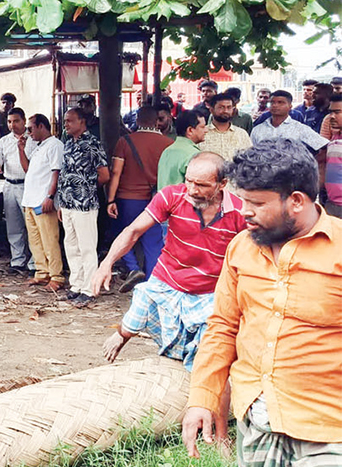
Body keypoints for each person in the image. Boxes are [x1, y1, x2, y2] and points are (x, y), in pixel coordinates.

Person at [182, 140, 342, 467]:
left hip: (326, 428)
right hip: (257, 422)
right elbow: (221, 327)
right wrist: (204, 396)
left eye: (255, 203)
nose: (245, 212)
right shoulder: (242, 249)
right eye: (242, 200)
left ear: (296, 201)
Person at [92, 151, 245, 370]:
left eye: (201, 185)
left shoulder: (240, 212)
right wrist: (106, 263)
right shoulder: (171, 196)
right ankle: (123, 334)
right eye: (188, 181)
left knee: (206, 352)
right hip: (167, 278)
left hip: (210, 291)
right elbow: (133, 231)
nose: (192, 190)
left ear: (222, 184)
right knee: (144, 298)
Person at [106, 106, 172, 286]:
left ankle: (134, 268)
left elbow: (116, 173)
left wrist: (110, 199)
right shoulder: (168, 144)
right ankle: (152, 283)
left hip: (128, 198)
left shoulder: (125, 141)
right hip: (156, 199)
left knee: (124, 233)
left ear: (137, 119)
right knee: (153, 242)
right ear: (157, 121)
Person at [55, 107, 108, 307]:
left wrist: (86, 189)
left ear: (82, 122)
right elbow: (63, 174)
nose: (66, 124)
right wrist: (61, 201)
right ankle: (76, 285)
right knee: (71, 245)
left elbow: (104, 175)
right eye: (66, 121)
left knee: (87, 247)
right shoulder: (68, 145)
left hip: (85, 203)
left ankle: (89, 288)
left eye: (70, 121)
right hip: (67, 203)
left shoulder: (93, 144)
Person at [21, 114, 65, 292]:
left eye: (30, 128)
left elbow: (56, 172)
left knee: (49, 240)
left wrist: (50, 196)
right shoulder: (39, 146)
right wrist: (21, 149)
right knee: (35, 240)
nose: (28, 132)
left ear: (41, 126)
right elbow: (28, 169)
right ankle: (42, 271)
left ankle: (56, 276)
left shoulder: (55, 145)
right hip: (30, 200)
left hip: (42, 200)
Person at [0, 106, 36, 273]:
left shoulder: (33, 139)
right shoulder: (4, 141)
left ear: (24, 121)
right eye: (9, 122)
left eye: (16, 121)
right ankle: (17, 260)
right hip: (9, 185)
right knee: (14, 225)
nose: (12, 125)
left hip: (27, 185)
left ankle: (34, 262)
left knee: (31, 225)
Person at [250, 89, 328, 156]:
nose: (275, 105)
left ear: (290, 106)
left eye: (280, 102)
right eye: (272, 102)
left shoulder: (300, 129)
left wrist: (314, 163)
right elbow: (250, 153)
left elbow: (324, 146)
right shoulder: (258, 130)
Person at [157, 109, 207, 190]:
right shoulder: (193, 154)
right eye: (202, 127)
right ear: (190, 130)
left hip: (164, 200)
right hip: (182, 201)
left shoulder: (167, 151)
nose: (206, 130)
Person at [199, 93, 253, 160]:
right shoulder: (201, 134)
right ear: (211, 110)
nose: (226, 111)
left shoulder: (241, 134)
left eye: (229, 107)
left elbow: (250, 159)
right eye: (221, 107)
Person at [322, 93, 342, 218]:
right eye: (330, 112)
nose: (331, 117)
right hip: (332, 205)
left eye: (337, 112)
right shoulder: (334, 139)